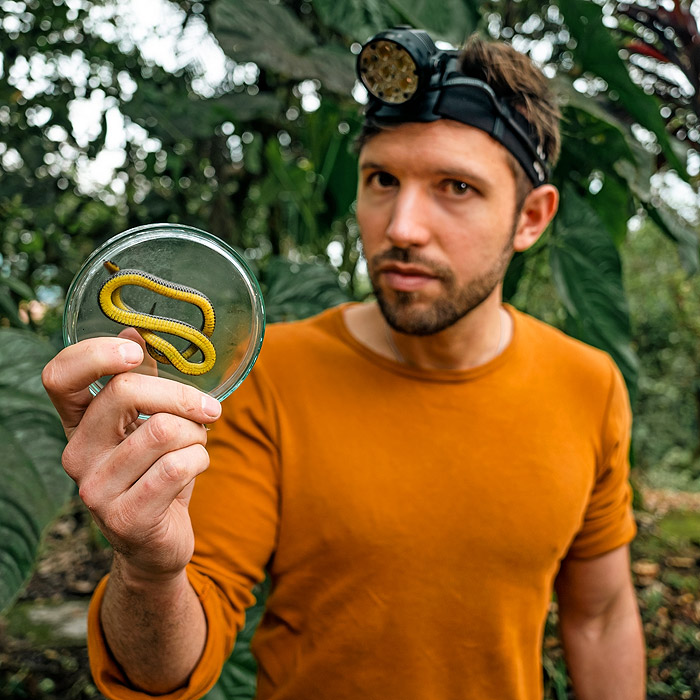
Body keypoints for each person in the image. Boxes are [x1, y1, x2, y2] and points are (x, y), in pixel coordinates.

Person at [42, 28, 645, 700]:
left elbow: (600, 615)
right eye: (382, 179)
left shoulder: (588, 384)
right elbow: (166, 665)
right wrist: (147, 571)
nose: (403, 226)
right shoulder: (273, 373)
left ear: (531, 218)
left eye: (456, 187)